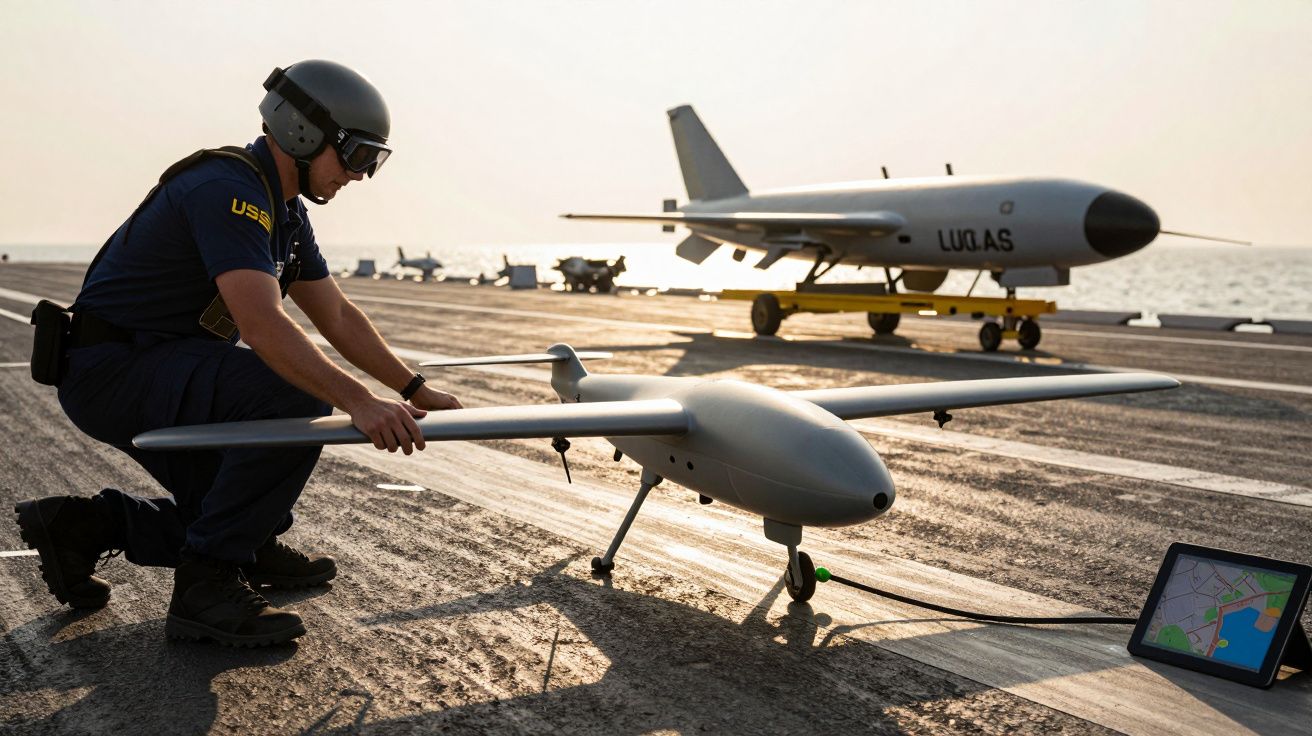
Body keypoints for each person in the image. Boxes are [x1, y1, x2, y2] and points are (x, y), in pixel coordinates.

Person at [14, 60, 461, 647]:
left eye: (372, 162)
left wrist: (413, 389)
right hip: (117, 370)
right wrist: (357, 400)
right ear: (305, 135)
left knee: (236, 508)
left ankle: (84, 526)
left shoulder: (285, 210)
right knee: (292, 393)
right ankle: (208, 585)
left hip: (163, 368)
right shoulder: (229, 189)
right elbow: (261, 324)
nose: (359, 176)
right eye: (355, 157)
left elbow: (337, 315)